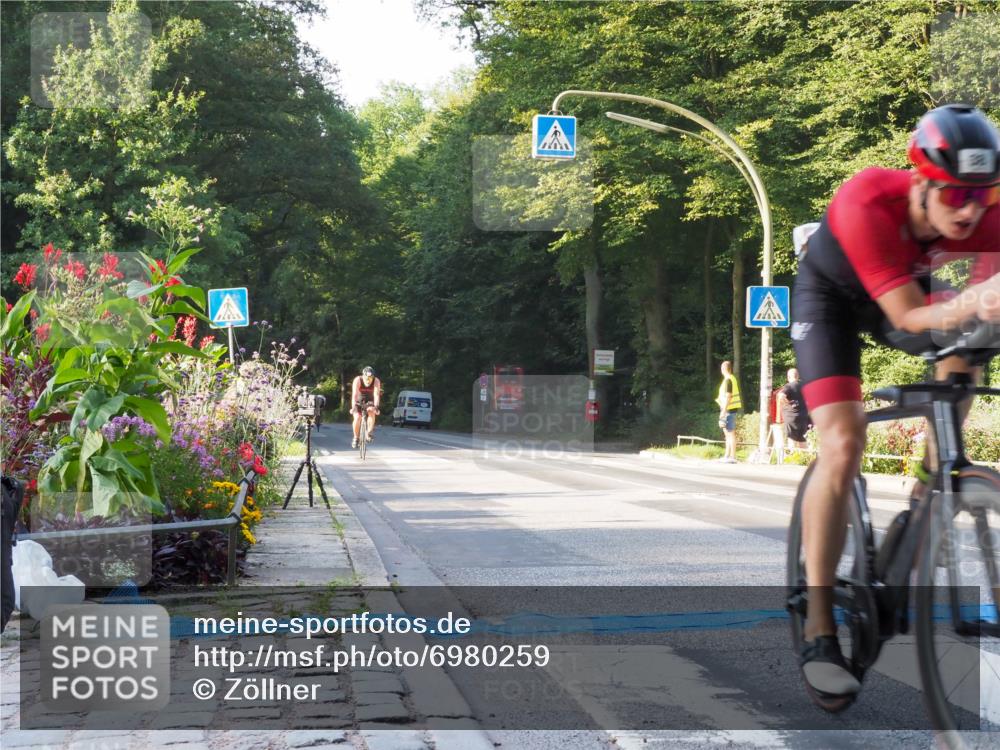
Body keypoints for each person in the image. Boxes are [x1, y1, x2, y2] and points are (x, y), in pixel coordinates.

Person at [790, 104, 1000, 703]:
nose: (969, 210)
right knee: (844, 441)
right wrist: (979, 297)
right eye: (956, 194)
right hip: (832, 299)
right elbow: (909, 316)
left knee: (975, 342)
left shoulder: (986, 211)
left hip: (914, 289)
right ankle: (819, 626)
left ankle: (932, 485)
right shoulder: (866, 199)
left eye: (982, 196)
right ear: (922, 181)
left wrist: (982, 303)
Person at [715, 360, 742, 463]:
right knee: (727, 433)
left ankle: (732, 456)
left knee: (730, 433)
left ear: (723, 369)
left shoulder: (728, 380)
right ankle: (727, 455)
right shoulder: (730, 379)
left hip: (729, 409)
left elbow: (728, 396)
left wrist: (724, 411)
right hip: (728, 408)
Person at [777, 368, 809, 451]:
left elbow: (781, 395)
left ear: (788, 377)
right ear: (798, 376)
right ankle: (804, 460)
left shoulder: (789, 386)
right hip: (804, 417)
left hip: (791, 418)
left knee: (792, 440)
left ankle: (793, 460)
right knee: (802, 439)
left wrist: (787, 403)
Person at [350, 366, 381, 450]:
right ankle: (356, 438)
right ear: (363, 375)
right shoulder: (358, 380)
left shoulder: (376, 381)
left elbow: (376, 395)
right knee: (357, 418)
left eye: (371, 377)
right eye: (367, 377)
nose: (368, 379)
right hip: (359, 401)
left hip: (369, 401)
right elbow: (354, 395)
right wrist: (353, 407)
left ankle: (369, 433)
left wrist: (376, 407)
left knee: (371, 411)